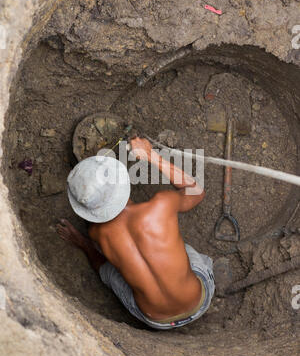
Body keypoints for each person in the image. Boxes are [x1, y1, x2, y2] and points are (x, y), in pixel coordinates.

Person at [57, 137, 215, 329]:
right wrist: (151, 155)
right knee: (179, 247)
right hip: (199, 300)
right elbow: (196, 192)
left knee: (108, 271)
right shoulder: (161, 206)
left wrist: (86, 241)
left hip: (155, 320)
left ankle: (82, 244)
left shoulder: (98, 233)